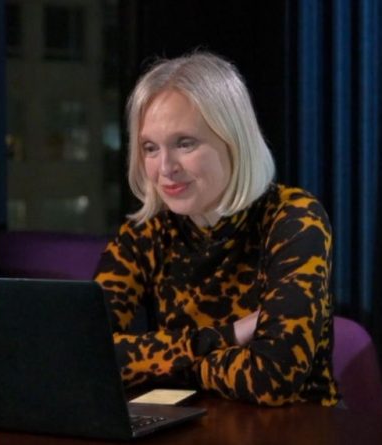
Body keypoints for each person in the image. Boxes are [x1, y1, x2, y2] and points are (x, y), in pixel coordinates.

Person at [94, 51, 339, 407]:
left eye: (184, 143)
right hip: (185, 426)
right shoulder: (145, 234)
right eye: (150, 148)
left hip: (295, 429)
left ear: (233, 141)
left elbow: (272, 378)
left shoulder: (294, 219)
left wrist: (162, 361)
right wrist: (227, 336)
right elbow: (85, 353)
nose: (165, 168)